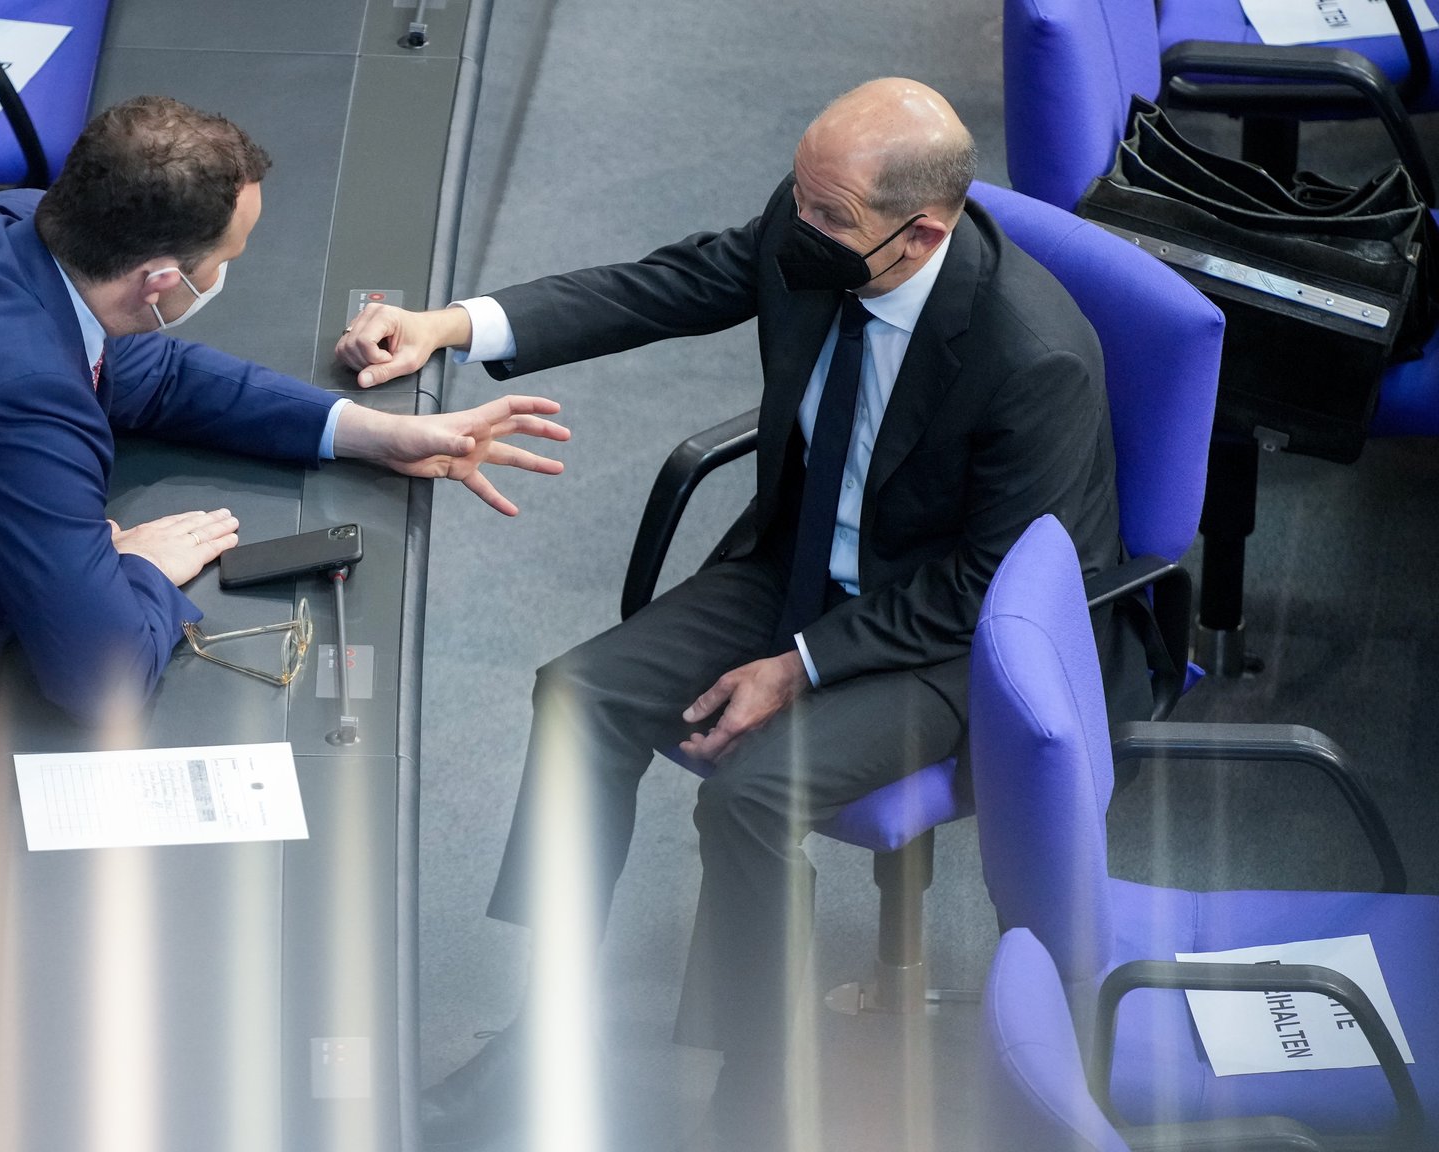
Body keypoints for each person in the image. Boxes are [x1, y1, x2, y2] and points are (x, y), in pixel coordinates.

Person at [336, 78, 1152, 1150]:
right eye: (798, 199)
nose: (791, 226)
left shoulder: (1028, 356)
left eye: (822, 216)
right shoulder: (823, 223)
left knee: (750, 802)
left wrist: (798, 665)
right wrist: (451, 324)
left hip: (962, 638)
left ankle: (762, 1090)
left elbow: (987, 583)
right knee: (577, 696)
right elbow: (666, 284)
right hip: (807, 558)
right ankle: (544, 1024)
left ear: (919, 235)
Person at [0, 95, 569, 770]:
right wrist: (133, 569)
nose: (229, 275)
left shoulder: (10, 225)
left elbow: (151, 374)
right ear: (161, 282)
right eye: (224, 262)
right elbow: (99, 679)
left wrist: (363, 430)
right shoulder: (17, 399)